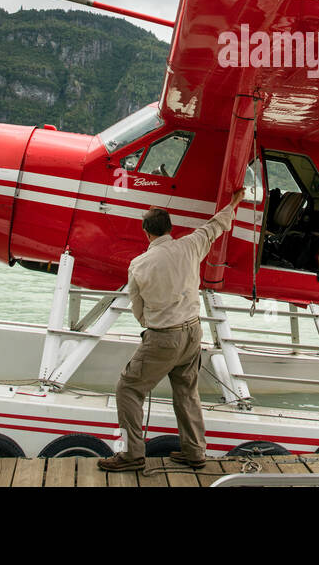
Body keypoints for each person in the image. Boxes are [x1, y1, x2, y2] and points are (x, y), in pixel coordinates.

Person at [97, 186, 245, 472]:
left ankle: (131, 454)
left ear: (146, 232)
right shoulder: (190, 245)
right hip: (193, 332)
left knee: (128, 388)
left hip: (164, 336)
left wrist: (151, 328)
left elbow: (138, 309)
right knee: (186, 391)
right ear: (170, 229)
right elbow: (215, 226)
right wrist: (234, 203)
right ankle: (194, 451)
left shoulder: (139, 264)